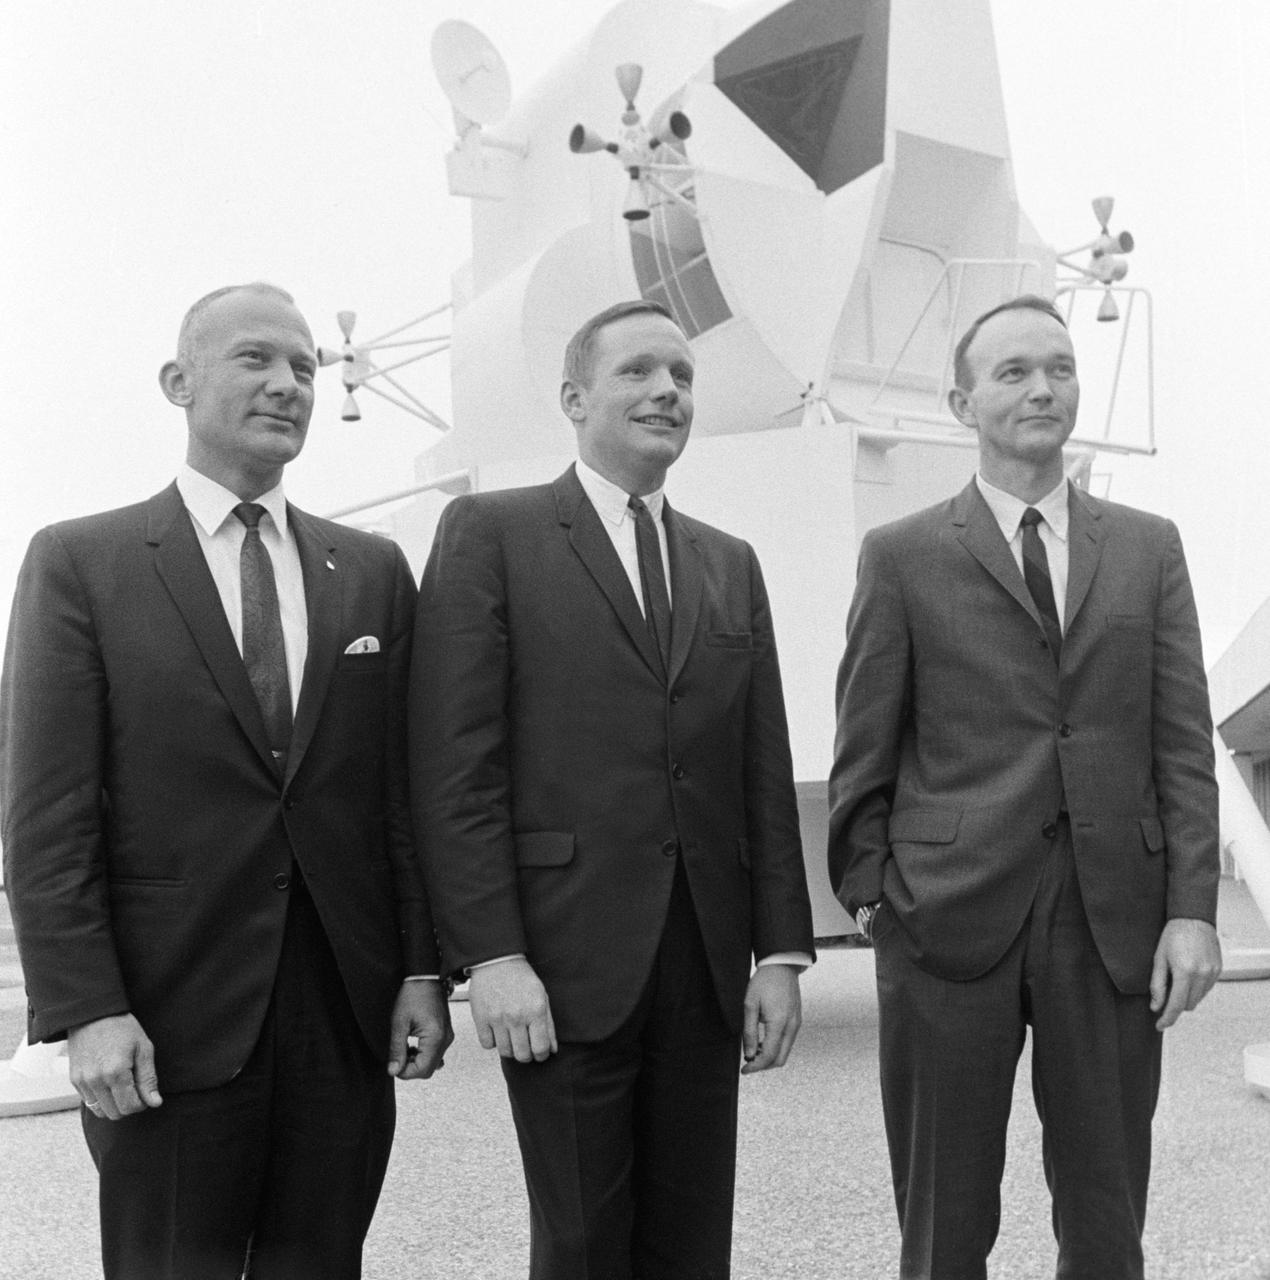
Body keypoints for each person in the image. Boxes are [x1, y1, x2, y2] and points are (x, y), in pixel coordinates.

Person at [0, 282, 452, 1280]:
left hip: (340, 1019)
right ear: (178, 381)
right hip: (165, 1022)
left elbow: (399, 796)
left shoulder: (371, 570)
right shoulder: (82, 563)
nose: (288, 383)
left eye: (305, 366)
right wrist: (87, 1010)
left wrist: (422, 970)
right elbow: (46, 816)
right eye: (256, 358)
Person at [409, 299, 815, 1279]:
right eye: (637, 371)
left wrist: (781, 953)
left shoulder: (728, 564)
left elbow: (759, 770)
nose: (666, 390)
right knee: (584, 1246)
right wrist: (490, 953)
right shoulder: (490, 534)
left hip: (703, 962)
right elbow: (455, 768)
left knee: (692, 1248)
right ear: (573, 397)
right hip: (562, 962)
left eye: (681, 375)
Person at [828, 293, 1222, 1279]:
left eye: (1059, 367)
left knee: (1106, 1220)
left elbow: (1181, 743)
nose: (1043, 387)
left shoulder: (1148, 547)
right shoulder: (901, 555)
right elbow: (862, 753)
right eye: (1013, 371)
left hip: (1110, 919)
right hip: (943, 922)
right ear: (962, 402)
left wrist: (1190, 911)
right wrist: (878, 907)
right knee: (944, 1223)